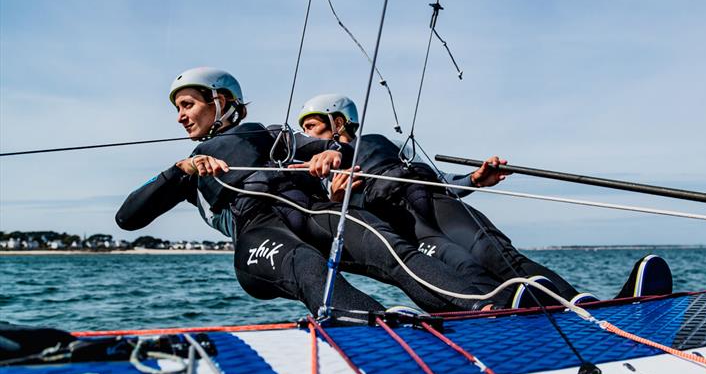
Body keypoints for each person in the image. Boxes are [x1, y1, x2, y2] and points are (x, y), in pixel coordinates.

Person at [117, 68, 501, 318]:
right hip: (260, 233)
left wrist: (332, 153)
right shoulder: (191, 167)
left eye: (188, 104)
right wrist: (179, 170)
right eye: (178, 108)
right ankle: (382, 334)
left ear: (221, 102)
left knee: (391, 249)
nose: (180, 116)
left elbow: (342, 151)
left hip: (316, 212)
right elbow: (128, 218)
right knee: (308, 266)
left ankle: (486, 310)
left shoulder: (273, 135)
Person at [298, 94, 673, 306]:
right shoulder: (321, 172)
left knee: (504, 258)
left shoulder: (375, 142)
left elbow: (441, 179)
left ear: (339, 122)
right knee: (466, 267)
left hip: (438, 200)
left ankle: (590, 306)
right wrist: (337, 193)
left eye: (312, 127)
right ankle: (521, 314)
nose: (308, 136)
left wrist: (475, 179)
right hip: (413, 230)